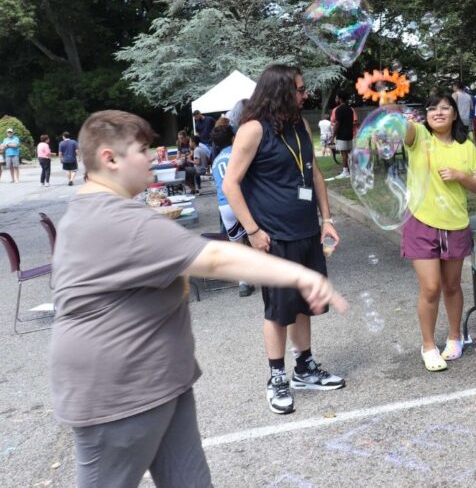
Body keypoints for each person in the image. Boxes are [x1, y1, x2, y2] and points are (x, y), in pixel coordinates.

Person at [49, 109, 347, 487]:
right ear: (110, 158)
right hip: (117, 395)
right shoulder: (116, 220)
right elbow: (217, 259)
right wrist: (299, 275)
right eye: (143, 150)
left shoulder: (101, 209)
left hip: (162, 383)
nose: (155, 157)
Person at [223, 64, 345, 415]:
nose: (305, 94)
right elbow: (231, 184)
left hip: (307, 230)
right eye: (300, 89)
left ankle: (305, 368)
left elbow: (315, 174)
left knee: (305, 303)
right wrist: (253, 231)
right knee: (278, 311)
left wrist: (327, 220)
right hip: (273, 237)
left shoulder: (300, 125)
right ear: (279, 91)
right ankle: (277, 377)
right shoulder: (252, 130)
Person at [399, 91, 476, 372]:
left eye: (445, 108)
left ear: (454, 114)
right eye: (432, 108)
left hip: (455, 223)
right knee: (431, 287)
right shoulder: (420, 139)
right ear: (426, 115)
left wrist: (461, 176)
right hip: (421, 222)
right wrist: (389, 101)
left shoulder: (466, 147)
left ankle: (454, 336)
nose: (438, 112)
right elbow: (403, 126)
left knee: (451, 285)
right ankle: (428, 346)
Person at [211, 124, 255, 297]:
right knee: (256, 236)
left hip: (224, 206)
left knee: (237, 244)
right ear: (233, 138)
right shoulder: (238, 153)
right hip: (241, 201)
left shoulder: (215, 161)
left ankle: (243, 283)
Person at [330, 93, 357, 178]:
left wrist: (332, 136)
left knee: (343, 153)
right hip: (350, 134)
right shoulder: (350, 109)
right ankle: (352, 170)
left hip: (342, 134)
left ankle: (345, 171)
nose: (335, 100)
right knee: (349, 152)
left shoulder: (339, 109)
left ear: (340, 99)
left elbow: (337, 123)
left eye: (336, 98)